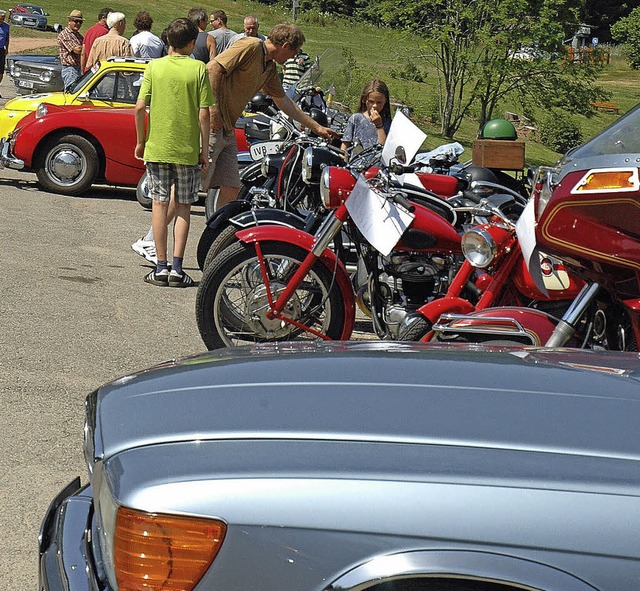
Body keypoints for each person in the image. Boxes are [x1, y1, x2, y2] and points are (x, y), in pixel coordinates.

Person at [131, 22, 336, 263]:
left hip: (227, 130)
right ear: (286, 45)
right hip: (215, 127)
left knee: (231, 188)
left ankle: (214, 245)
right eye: (294, 51)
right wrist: (214, 111)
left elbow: (283, 101)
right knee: (186, 191)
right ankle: (149, 241)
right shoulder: (250, 47)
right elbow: (213, 68)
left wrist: (316, 127)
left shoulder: (269, 67)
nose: (293, 57)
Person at [134, 17, 213, 287]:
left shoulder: (154, 67)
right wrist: (204, 150)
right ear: (192, 43)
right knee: (183, 207)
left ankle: (160, 266)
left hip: (157, 147)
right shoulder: (199, 69)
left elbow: (139, 107)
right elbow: (204, 114)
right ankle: (178, 269)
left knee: (158, 203)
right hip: (187, 149)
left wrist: (141, 141)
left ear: (168, 41)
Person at [340, 79, 392, 154]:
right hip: (356, 164)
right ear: (364, 100)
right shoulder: (356, 119)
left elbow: (383, 150)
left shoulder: (388, 123)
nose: (375, 106)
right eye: (371, 102)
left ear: (385, 101)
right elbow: (345, 145)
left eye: (379, 102)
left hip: (376, 164)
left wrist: (379, 126)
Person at [57, 10, 84, 90]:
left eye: (80, 22)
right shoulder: (65, 34)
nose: (78, 24)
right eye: (76, 21)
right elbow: (77, 50)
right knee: (71, 93)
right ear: (69, 21)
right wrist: (85, 47)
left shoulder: (78, 36)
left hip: (78, 68)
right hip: (70, 69)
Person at [80, 8, 112, 72]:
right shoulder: (105, 32)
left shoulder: (89, 30)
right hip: (98, 69)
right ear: (103, 18)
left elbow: (83, 53)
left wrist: (83, 70)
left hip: (88, 70)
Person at [0, 10, 9, 96]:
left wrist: (7, 48)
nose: (1, 20)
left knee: (1, 72)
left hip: (1, 50)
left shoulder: (6, 26)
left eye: (2, 19)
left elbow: (7, 38)